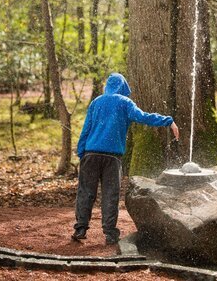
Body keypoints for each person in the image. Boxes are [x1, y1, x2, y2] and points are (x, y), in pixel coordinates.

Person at [72, 72, 180, 245]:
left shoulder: (96, 102)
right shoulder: (125, 103)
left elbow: (86, 128)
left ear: (108, 85)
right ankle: (110, 234)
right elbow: (143, 117)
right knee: (110, 195)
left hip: (90, 155)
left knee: (85, 192)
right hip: (112, 158)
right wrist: (168, 121)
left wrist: (81, 152)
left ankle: (80, 229)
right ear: (122, 87)